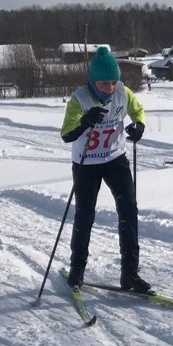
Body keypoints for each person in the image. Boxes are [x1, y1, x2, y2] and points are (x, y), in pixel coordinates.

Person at [61, 46, 150, 293]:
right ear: (92, 81)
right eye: (103, 83)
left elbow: (137, 110)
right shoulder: (79, 98)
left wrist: (139, 125)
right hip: (86, 163)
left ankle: (130, 275)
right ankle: (76, 271)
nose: (110, 88)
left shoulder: (123, 92)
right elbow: (66, 135)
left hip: (115, 160)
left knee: (129, 211)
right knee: (85, 215)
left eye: (113, 82)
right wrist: (85, 121)